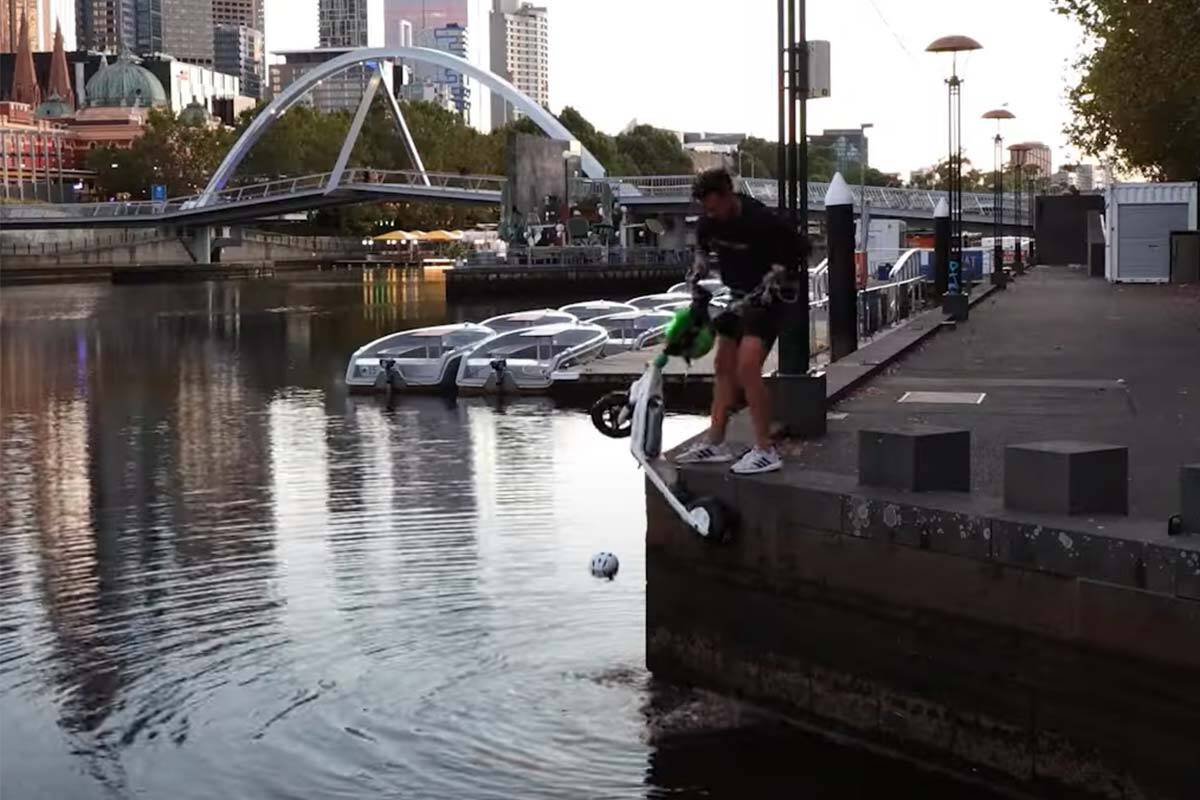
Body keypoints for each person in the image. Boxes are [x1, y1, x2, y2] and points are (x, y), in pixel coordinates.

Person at [674, 168, 807, 475]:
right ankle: (716, 442)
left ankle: (765, 449)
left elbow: (801, 249)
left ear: (728, 195)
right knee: (723, 364)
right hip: (738, 296)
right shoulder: (709, 222)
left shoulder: (761, 221)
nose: (711, 214)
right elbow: (702, 245)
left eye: (715, 207)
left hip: (771, 297)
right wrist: (700, 262)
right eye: (706, 209)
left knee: (747, 366)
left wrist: (779, 269)